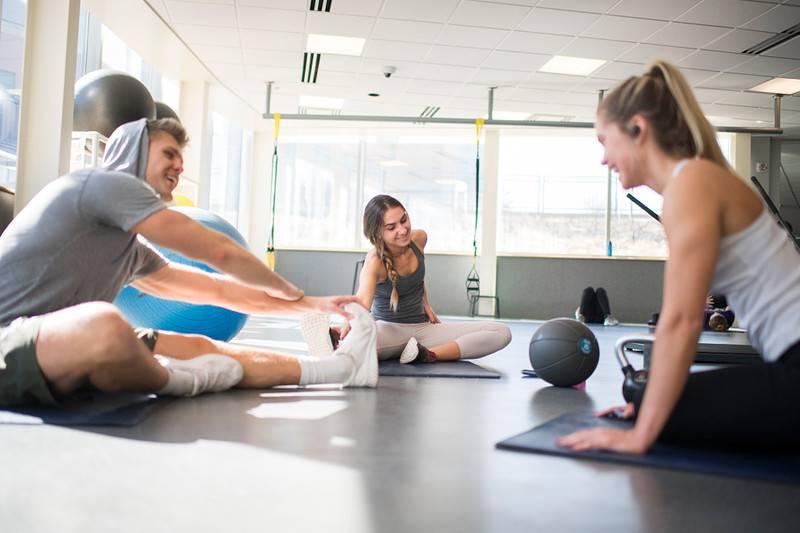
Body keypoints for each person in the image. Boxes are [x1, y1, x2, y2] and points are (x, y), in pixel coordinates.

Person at [0, 118, 377, 407]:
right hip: (8, 339)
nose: (180, 166)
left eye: (181, 158)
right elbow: (218, 252)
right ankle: (178, 381)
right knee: (105, 324)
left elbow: (217, 290)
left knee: (199, 346)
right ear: (134, 152)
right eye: (168, 153)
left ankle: (339, 369)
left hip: (58, 344)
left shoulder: (129, 252)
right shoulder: (100, 185)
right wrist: (283, 286)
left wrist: (314, 306)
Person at [559, 60, 800, 453]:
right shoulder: (693, 181)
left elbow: (682, 320)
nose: (603, 159)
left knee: (648, 401)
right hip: (787, 364)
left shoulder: (691, 184)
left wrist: (641, 435)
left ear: (638, 128)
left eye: (605, 141)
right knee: (644, 396)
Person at [329, 194, 511, 364]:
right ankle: (339, 337)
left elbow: (417, 279)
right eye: (391, 227)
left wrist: (426, 304)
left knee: (502, 332)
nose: (402, 229)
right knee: (354, 348)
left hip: (423, 331)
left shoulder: (419, 239)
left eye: (404, 219)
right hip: (387, 330)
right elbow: (361, 302)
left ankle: (426, 354)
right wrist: (348, 323)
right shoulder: (375, 261)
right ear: (377, 234)